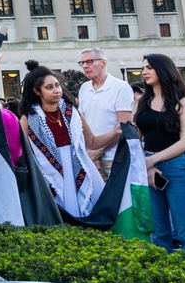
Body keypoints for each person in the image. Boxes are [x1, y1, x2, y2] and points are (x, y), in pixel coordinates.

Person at [19, 64, 116, 217]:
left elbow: (92, 141)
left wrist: (117, 132)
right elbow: (23, 152)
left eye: (57, 85)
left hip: (79, 165)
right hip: (48, 172)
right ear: (37, 91)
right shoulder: (28, 118)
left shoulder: (72, 112)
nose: (56, 90)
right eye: (49, 87)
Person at [136, 54, 185, 260]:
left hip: (177, 168)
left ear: (163, 70)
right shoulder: (141, 103)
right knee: (158, 233)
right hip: (148, 168)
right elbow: (135, 139)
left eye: (150, 68)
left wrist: (151, 161)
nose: (144, 72)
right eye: (143, 68)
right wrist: (146, 165)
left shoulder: (183, 103)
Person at [76, 47, 135, 180]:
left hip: (113, 158)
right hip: (90, 158)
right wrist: (88, 153)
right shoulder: (84, 88)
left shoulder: (121, 87)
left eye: (90, 61)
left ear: (103, 62)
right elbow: (82, 125)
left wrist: (98, 152)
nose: (85, 66)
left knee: (118, 200)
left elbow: (123, 127)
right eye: (82, 63)